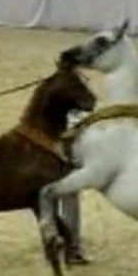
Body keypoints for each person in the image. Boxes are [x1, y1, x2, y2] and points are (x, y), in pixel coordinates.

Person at [58, 105, 91, 265]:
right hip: (66, 156)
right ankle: (72, 249)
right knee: (70, 202)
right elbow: (69, 132)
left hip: (53, 153)